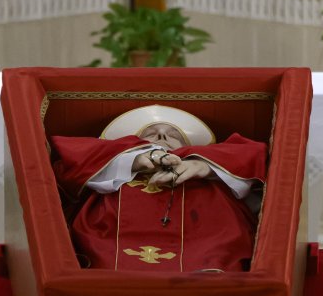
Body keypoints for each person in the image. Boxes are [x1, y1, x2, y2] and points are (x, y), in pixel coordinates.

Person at [50, 105, 267, 273]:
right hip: (111, 245)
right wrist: (135, 160)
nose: (162, 137)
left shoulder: (210, 170)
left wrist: (204, 166)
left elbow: (251, 158)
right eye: (150, 133)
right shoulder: (109, 166)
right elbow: (70, 164)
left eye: (174, 135)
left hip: (202, 245)